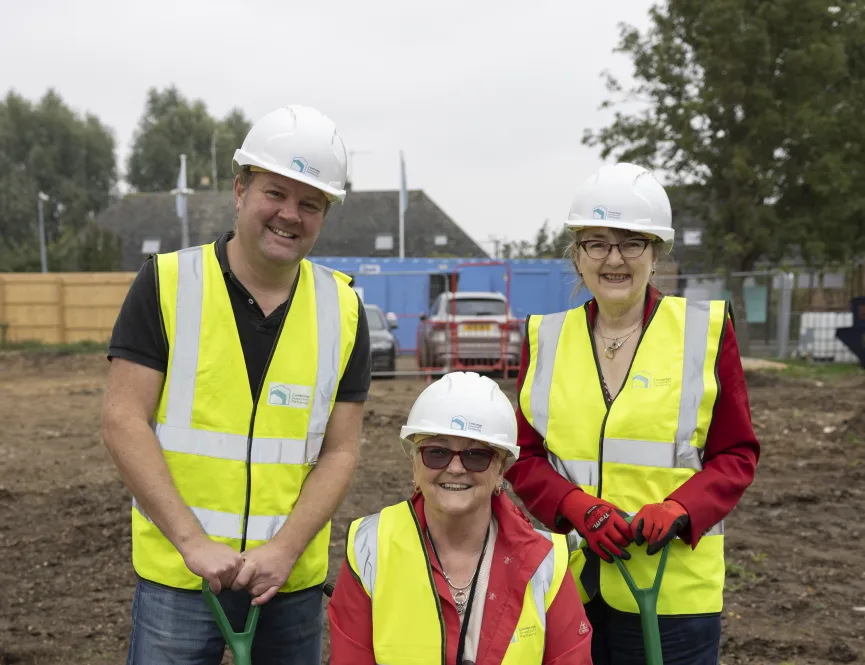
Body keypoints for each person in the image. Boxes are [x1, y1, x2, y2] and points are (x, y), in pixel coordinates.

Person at [101, 104, 371, 665]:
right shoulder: (167, 283)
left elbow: (342, 449)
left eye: (310, 203)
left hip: (286, 583)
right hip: (181, 578)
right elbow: (124, 420)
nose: (290, 214)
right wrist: (192, 542)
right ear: (240, 190)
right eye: (275, 193)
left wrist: (285, 549)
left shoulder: (343, 308)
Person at [506, 163, 760, 665]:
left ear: (656, 253)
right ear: (577, 256)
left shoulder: (703, 333)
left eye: (631, 243)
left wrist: (681, 509)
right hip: (570, 585)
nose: (614, 259)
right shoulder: (545, 339)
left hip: (673, 596)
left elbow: (736, 453)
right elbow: (523, 455)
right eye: (596, 243)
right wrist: (576, 506)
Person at [328, 371, 593, 665]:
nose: (455, 468)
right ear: (414, 462)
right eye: (437, 453)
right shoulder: (370, 548)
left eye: (476, 456)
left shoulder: (545, 564)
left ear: (500, 470)